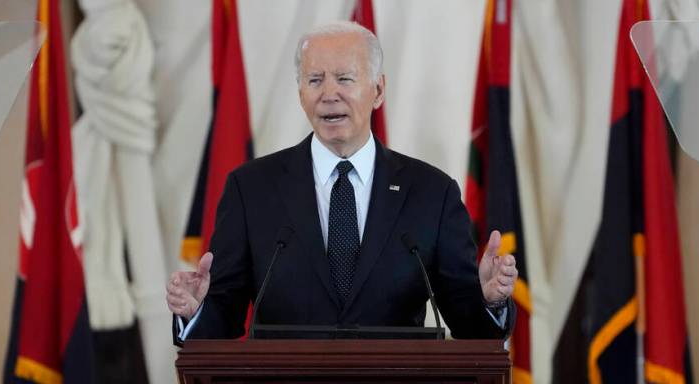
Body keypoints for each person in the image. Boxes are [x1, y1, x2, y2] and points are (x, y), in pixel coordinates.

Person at [167, 22, 517, 342]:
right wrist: (195, 311)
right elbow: (223, 318)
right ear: (301, 93)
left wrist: (489, 301)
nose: (328, 93)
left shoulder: (431, 193)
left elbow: (470, 327)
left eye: (345, 79)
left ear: (378, 90)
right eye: (315, 80)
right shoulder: (251, 190)